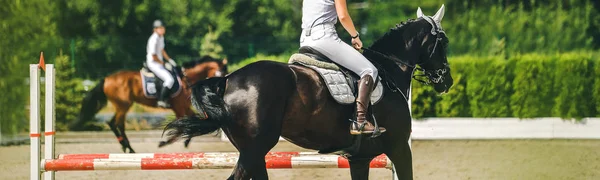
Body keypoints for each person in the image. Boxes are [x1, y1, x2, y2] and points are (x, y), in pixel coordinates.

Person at [300, 0, 386, 134]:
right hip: (324, 38)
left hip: (305, 39)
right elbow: (343, 16)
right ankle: (360, 121)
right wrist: (355, 36)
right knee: (369, 70)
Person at [146, 20, 177, 108]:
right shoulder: (153, 39)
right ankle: (161, 100)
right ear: (155, 29)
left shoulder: (161, 37)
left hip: (158, 63)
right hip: (153, 63)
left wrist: (170, 60)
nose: (163, 29)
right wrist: (164, 63)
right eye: (161, 28)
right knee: (169, 80)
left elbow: (162, 51)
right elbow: (154, 56)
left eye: (163, 28)